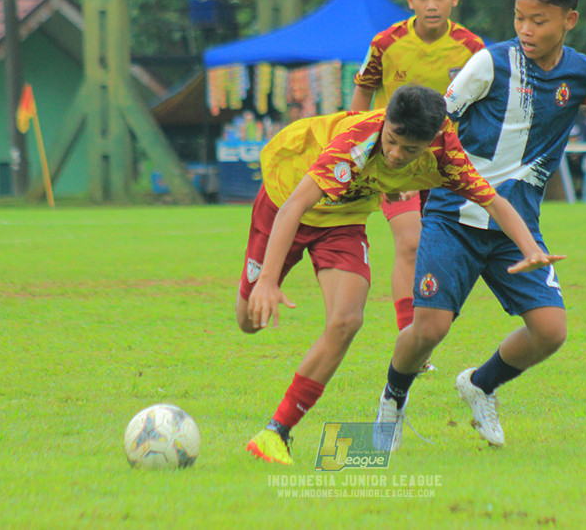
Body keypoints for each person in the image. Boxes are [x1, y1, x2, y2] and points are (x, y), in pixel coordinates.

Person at [373, 0, 586, 450]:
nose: (525, 28)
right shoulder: (490, 63)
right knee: (429, 328)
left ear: (570, 20)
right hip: (453, 217)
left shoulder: (580, 72)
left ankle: (480, 384)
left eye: (538, 20)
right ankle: (393, 400)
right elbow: (436, 119)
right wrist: (404, 173)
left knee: (550, 330)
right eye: (519, 17)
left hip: (517, 225)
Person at [238, 85, 560, 465]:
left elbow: (493, 200)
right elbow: (293, 208)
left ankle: (277, 432)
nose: (395, 154)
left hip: (343, 216)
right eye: (391, 141)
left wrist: (531, 249)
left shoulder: (445, 152)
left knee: (347, 320)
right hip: (284, 199)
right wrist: (270, 281)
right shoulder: (357, 141)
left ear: (430, 140)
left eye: (409, 150)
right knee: (249, 322)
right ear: (385, 122)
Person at [351, 0, 485, 355]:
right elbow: (364, 89)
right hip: (396, 164)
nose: (431, 5)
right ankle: (408, 338)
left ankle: (427, 329)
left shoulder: (473, 49)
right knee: (409, 243)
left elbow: (483, 105)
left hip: (445, 167)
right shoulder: (385, 42)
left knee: (438, 249)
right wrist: (358, 145)